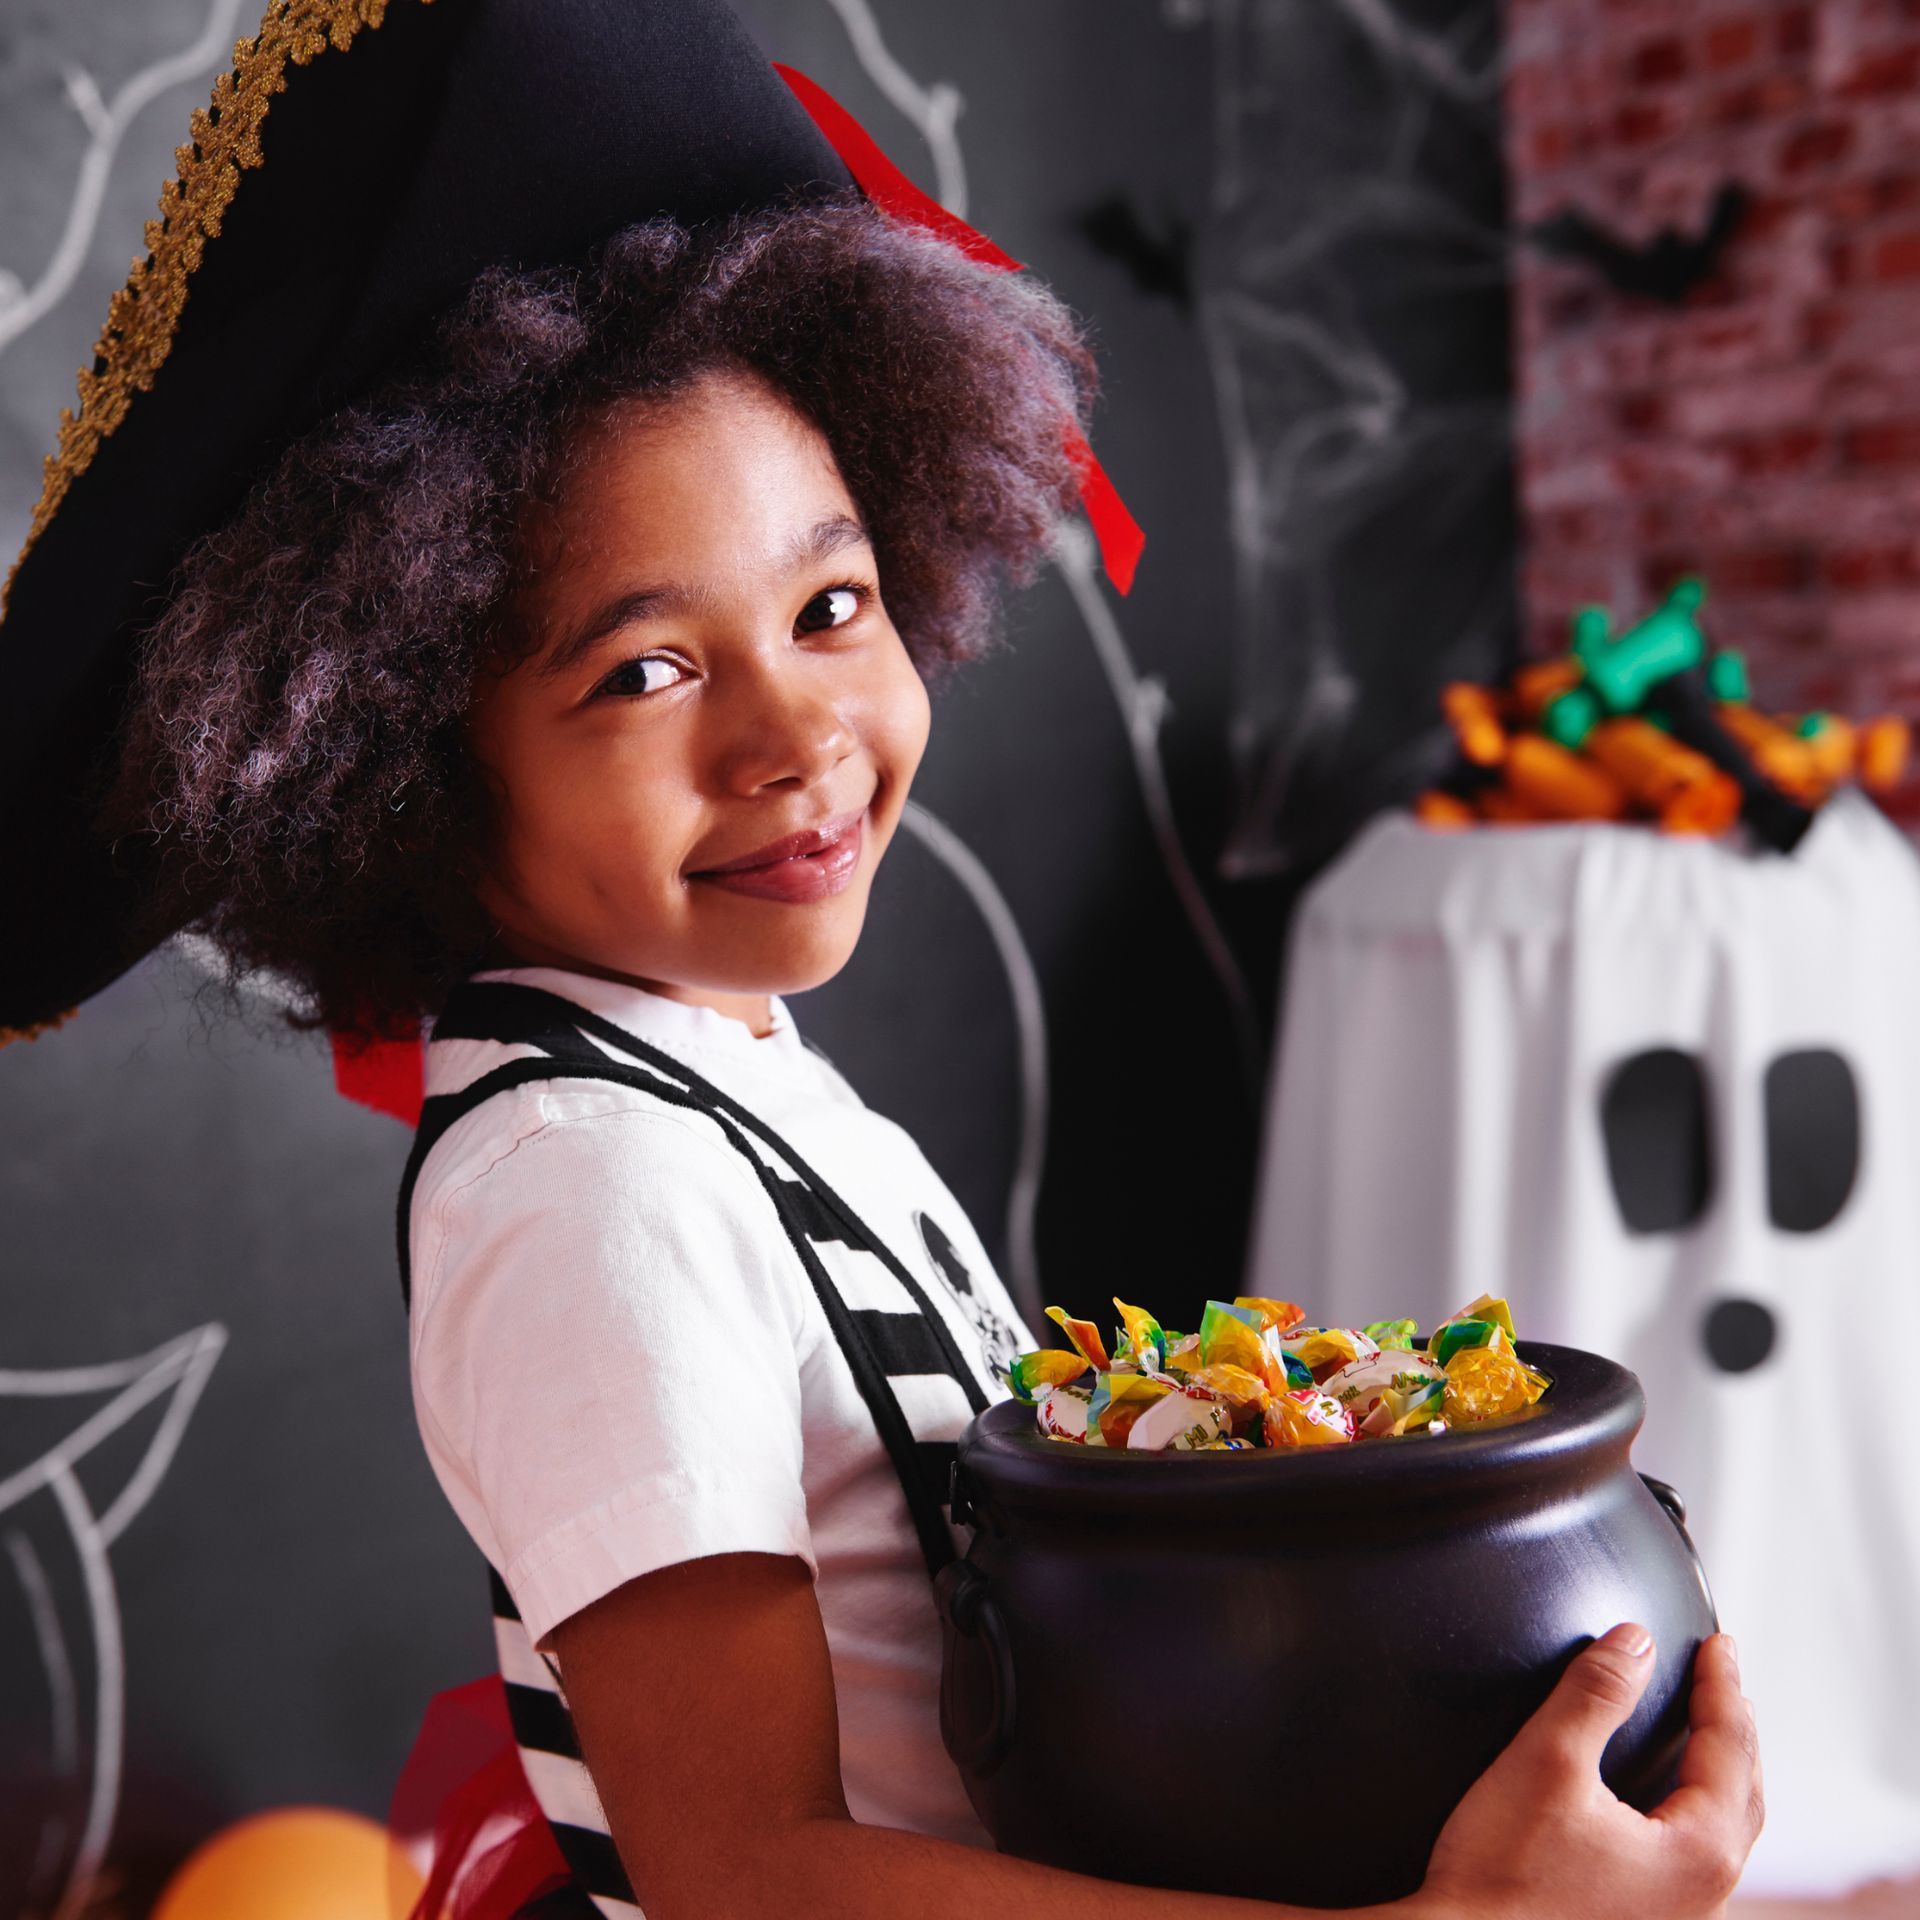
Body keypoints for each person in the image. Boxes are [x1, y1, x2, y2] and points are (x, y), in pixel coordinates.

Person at [4, 6, 1761, 1918]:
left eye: (832, 606)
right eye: (645, 670)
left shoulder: (728, 1094)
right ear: (408, 775)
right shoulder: (589, 1179)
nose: (796, 736)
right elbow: (744, 1869)